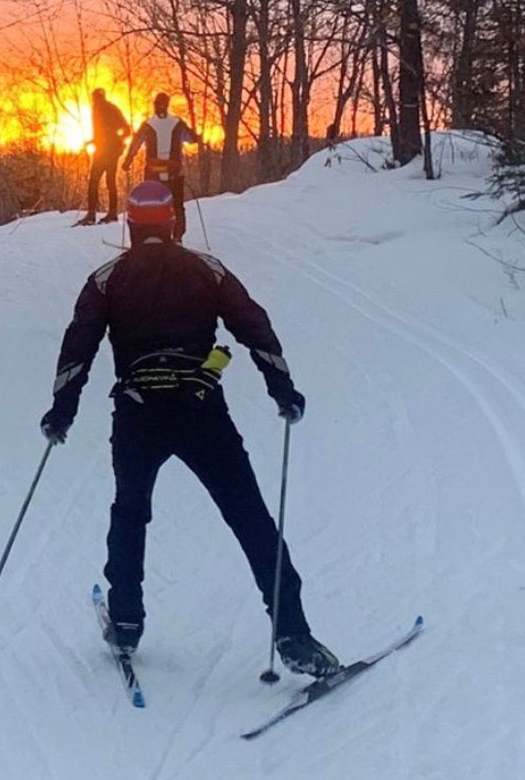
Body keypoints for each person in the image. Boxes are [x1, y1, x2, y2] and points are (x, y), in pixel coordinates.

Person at [40, 180, 340, 677]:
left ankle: (127, 623)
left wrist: (61, 412)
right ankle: (293, 633)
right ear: (174, 223)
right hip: (201, 409)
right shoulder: (208, 269)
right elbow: (255, 327)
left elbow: (78, 348)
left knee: (130, 514)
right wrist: (282, 390)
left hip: (138, 413)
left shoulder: (105, 278)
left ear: (131, 226)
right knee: (249, 517)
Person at [122, 92, 199, 243]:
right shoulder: (178, 123)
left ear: (155, 106)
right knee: (177, 205)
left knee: (151, 204)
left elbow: (135, 144)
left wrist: (128, 161)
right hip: (174, 173)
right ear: (168, 104)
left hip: (153, 174)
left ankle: (150, 236)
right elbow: (192, 139)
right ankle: (177, 237)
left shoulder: (148, 124)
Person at [78, 89, 130, 225]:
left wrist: (116, 141)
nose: (94, 101)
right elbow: (102, 134)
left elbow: (126, 129)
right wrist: (93, 141)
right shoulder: (101, 110)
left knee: (100, 181)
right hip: (103, 150)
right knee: (104, 181)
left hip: (109, 152)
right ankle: (102, 213)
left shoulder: (109, 109)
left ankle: (97, 214)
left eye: (95, 98)